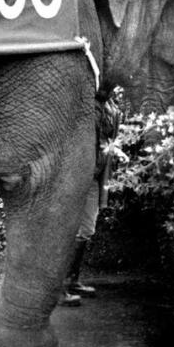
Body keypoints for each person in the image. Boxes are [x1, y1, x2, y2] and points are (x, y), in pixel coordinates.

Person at [59, 97, 123, 306]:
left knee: (86, 229)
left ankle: (72, 280)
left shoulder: (111, 106)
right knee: (66, 230)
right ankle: (57, 288)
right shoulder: (85, 101)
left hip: (95, 176)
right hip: (76, 175)